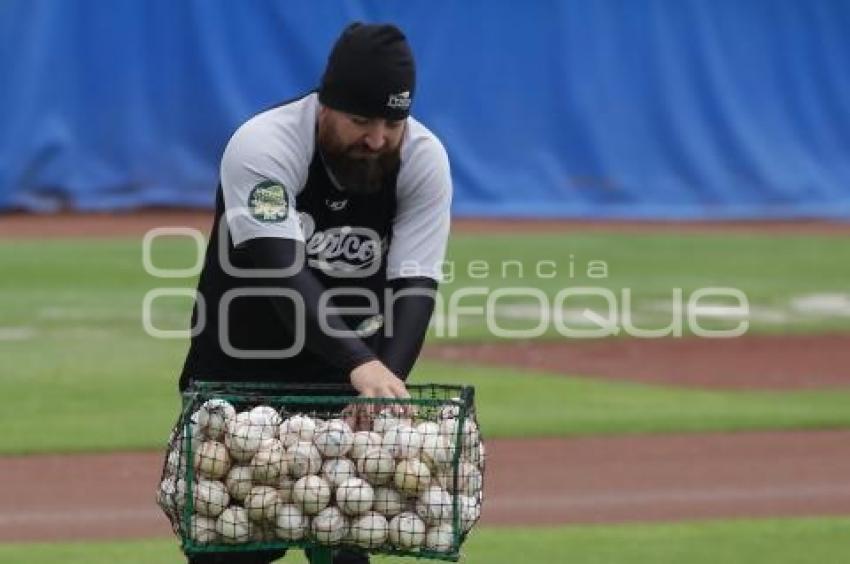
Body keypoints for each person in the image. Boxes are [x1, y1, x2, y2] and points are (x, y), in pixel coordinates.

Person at [178, 22, 452, 564]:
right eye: (360, 120)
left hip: (344, 381)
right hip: (239, 373)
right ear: (325, 104)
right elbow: (280, 274)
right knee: (233, 549)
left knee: (348, 547)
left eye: (392, 121)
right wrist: (361, 363)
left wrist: (382, 390)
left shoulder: (423, 158)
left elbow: (414, 285)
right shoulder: (264, 144)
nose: (377, 138)